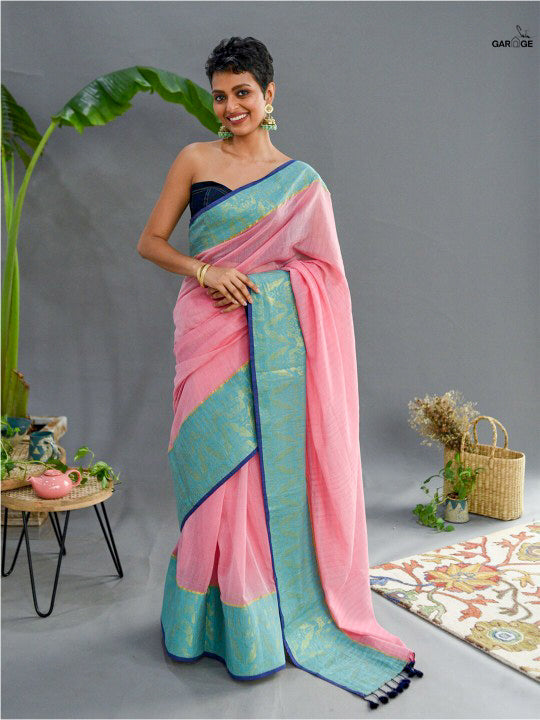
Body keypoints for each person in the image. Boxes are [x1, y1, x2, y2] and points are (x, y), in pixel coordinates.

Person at [138, 35, 422, 710]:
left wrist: (266, 287)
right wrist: (204, 269)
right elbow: (150, 242)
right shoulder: (194, 159)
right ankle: (201, 618)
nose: (230, 107)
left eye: (242, 93)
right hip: (206, 332)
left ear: (269, 95)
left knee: (249, 478)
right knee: (208, 468)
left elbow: (326, 275)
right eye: (219, 96)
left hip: (266, 342)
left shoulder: (302, 185)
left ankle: (253, 626)